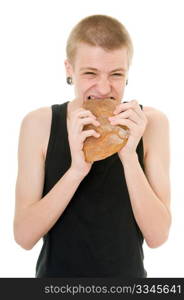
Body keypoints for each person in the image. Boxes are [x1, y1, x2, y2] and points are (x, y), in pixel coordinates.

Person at [14, 14, 171, 278]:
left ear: (128, 72)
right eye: (90, 73)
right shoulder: (38, 124)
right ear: (69, 69)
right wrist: (77, 169)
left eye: (116, 74)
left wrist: (129, 156)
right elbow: (23, 236)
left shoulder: (152, 123)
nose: (103, 88)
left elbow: (158, 236)